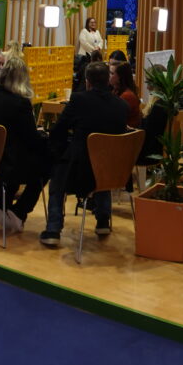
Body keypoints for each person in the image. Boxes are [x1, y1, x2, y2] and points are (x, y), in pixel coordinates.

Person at [39, 62, 129, 247]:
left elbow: (59, 128)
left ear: (87, 81)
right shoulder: (122, 106)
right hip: (111, 172)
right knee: (101, 161)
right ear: (108, 81)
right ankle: (103, 220)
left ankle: (53, 229)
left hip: (79, 171)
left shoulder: (78, 100)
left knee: (57, 176)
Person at [0, 58, 51, 233]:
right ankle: (20, 210)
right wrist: (45, 137)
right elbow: (31, 138)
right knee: (46, 165)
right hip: (7, 164)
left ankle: (1, 202)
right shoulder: (19, 103)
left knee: (18, 156)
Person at [110, 60, 141, 126]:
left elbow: (114, 118)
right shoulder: (116, 90)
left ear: (120, 77)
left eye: (112, 73)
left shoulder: (127, 96)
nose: (108, 76)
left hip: (127, 131)